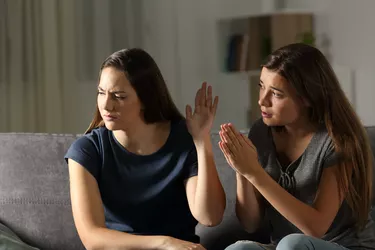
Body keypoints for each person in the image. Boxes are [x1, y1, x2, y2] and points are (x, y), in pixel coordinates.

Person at [64, 48, 226, 250]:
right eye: (101, 92)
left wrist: (201, 142)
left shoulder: (183, 140)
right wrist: (164, 243)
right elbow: (93, 239)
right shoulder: (87, 150)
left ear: (145, 99)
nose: (106, 105)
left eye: (119, 96)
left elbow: (209, 216)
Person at [220, 43, 375, 250]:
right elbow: (250, 224)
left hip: (339, 246)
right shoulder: (261, 132)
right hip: (283, 247)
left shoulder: (338, 140)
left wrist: (255, 172)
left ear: (307, 98)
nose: (262, 101)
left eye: (276, 93)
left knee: (293, 244)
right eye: (261, 86)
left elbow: (316, 228)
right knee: (238, 249)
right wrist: (242, 170)